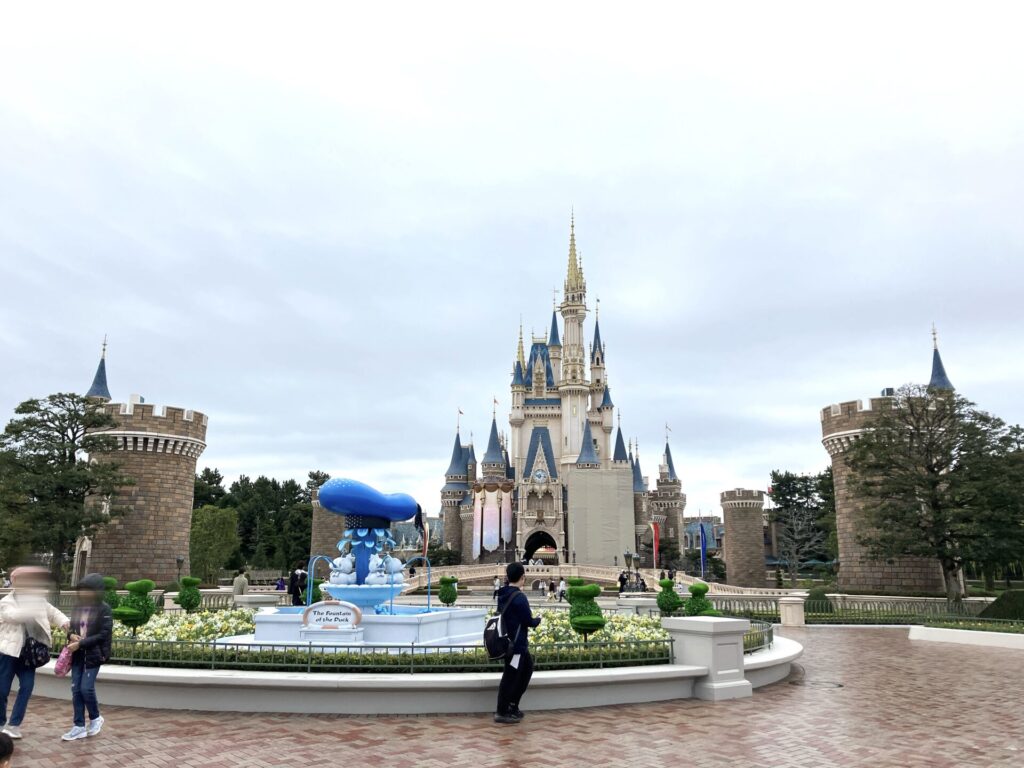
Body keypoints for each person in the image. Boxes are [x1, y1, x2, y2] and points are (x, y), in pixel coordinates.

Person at [0, 566, 69, 740]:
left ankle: (14, 725)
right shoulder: (6, 602)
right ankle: (1, 722)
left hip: (28, 655)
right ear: (14, 582)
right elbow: (13, 616)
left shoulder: (38, 600)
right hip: (8, 653)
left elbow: (53, 613)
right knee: (1, 690)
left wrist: (65, 623)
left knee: (27, 687)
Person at [61, 573, 113, 741]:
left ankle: (96, 718)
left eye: (88, 590)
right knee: (76, 690)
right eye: (81, 590)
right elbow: (72, 628)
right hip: (77, 655)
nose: (84, 593)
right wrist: (71, 636)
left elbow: (103, 634)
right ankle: (79, 726)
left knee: (86, 688)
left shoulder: (104, 609)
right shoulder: (77, 607)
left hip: (94, 654)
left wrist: (82, 643)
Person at [493, 562, 541, 724]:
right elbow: (528, 620)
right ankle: (502, 711)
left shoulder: (503, 593)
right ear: (522, 577)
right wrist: (538, 619)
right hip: (516, 646)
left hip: (510, 642)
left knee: (526, 670)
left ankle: (512, 705)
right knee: (510, 676)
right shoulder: (519, 597)